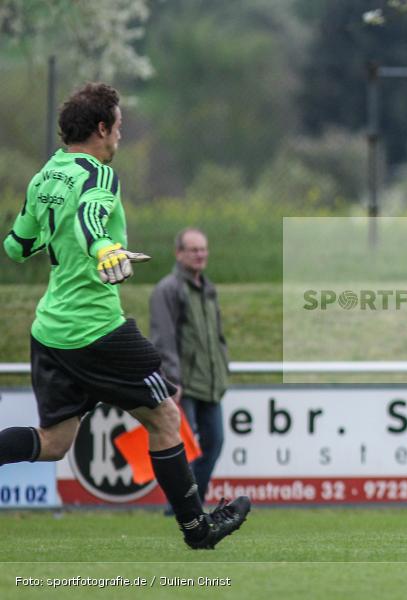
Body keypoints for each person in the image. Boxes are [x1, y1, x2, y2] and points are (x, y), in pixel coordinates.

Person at [0, 82, 250, 549]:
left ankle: (197, 527)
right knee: (165, 416)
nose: (121, 135)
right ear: (101, 128)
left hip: (50, 331)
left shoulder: (44, 177)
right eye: (119, 126)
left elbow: (18, 246)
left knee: (53, 443)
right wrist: (104, 248)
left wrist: (77, 245)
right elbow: (90, 220)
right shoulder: (98, 175)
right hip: (95, 330)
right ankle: (199, 530)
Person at [150, 228, 228, 507]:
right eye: (194, 250)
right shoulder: (167, 289)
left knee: (215, 443)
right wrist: (172, 380)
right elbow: (163, 338)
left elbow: (217, 335)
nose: (200, 255)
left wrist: (223, 366)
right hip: (183, 385)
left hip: (210, 383)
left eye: (203, 249)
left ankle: (192, 503)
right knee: (185, 449)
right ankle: (181, 506)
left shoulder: (208, 288)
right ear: (178, 253)